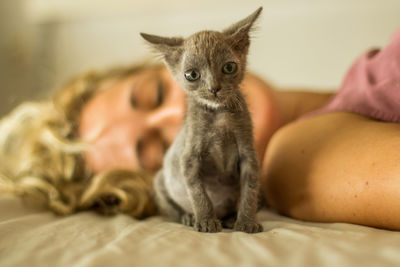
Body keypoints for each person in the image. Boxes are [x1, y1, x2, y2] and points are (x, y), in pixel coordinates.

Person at [1, 30, 399, 230]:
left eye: (157, 93)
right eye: (158, 148)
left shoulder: (360, 83)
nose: (180, 110)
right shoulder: (294, 162)